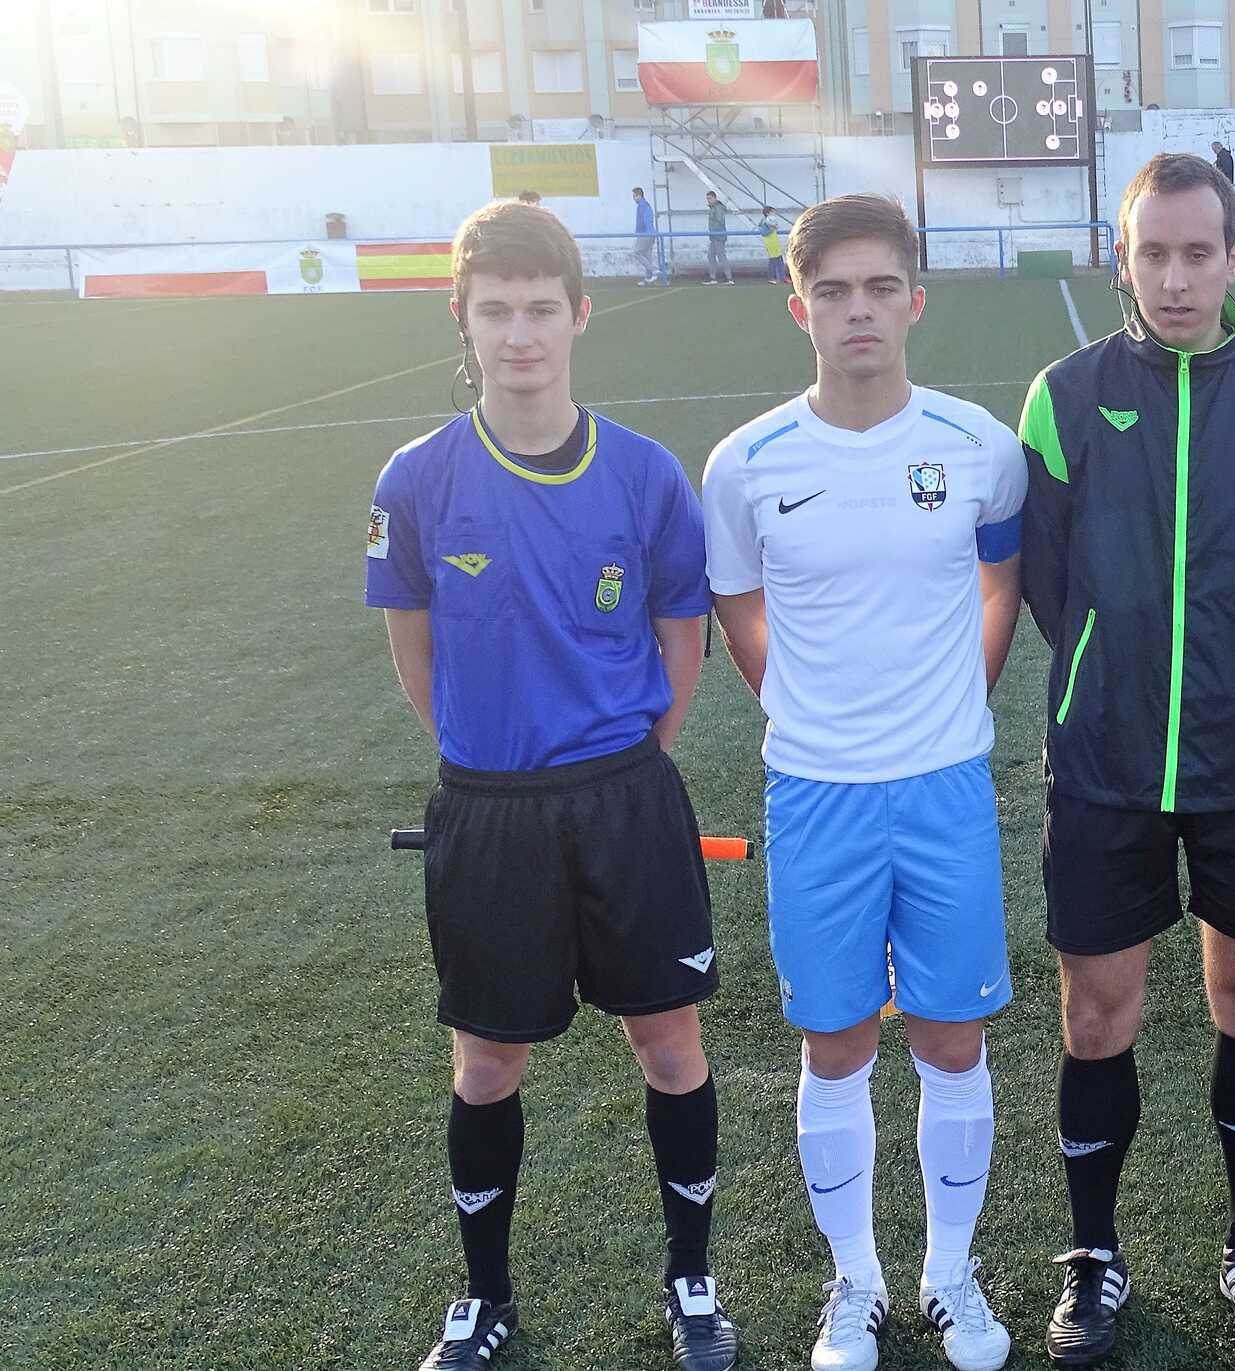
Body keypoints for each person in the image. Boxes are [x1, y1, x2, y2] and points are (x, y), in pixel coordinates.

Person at [364, 200, 736, 1371]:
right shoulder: (416, 480)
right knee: (486, 1063)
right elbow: (413, 648)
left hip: (626, 800)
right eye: (495, 313)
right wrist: (489, 754)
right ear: (463, 322)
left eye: (539, 310)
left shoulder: (643, 473)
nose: (518, 335)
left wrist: (628, 759)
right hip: (488, 812)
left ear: (579, 316)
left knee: (668, 1045)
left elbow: (682, 640)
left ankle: (692, 1281)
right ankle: (485, 1299)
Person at [1015, 151, 1235, 1369]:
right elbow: (1048, 581)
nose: (1173, 278)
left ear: (1234, 258)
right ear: (1122, 258)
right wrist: (1110, 668)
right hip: (1104, 762)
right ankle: (1093, 1255)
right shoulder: (1063, 398)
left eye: (1197, 253)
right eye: (1151, 253)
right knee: (1096, 1015)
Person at [701, 195, 1026, 1371]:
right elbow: (737, 603)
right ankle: (857, 1285)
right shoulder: (745, 464)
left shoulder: (978, 445)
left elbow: (1001, 581)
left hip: (944, 787)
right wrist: (796, 705)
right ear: (799, 309)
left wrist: (959, 700)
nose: (858, 311)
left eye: (880, 287)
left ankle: (950, 1276)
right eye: (832, 291)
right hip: (817, 793)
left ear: (914, 301)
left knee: (952, 1040)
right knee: (834, 1046)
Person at [704, 190, 734, 285]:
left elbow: (720, 221)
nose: (708, 200)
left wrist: (715, 231)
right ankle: (712, 277)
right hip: (714, 236)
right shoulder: (713, 208)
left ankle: (729, 278)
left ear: (715, 198)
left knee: (721, 256)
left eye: (710, 198)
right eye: (707, 199)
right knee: (711, 255)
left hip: (718, 236)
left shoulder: (718, 208)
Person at [633, 185, 660, 285]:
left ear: (639, 196)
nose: (633, 199)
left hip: (645, 233)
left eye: (634, 196)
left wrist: (639, 232)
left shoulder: (642, 206)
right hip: (650, 233)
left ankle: (654, 270)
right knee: (647, 256)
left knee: (637, 253)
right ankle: (649, 278)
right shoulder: (645, 205)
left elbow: (643, 222)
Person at [758, 207, 788, 284]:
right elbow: (764, 233)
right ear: (767, 213)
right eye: (772, 212)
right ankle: (771, 278)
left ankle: (782, 277)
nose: (774, 214)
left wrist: (774, 227)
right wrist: (772, 228)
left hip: (775, 242)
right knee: (773, 260)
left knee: (779, 258)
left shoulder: (770, 221)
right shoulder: (764, 222)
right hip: (770, 243)